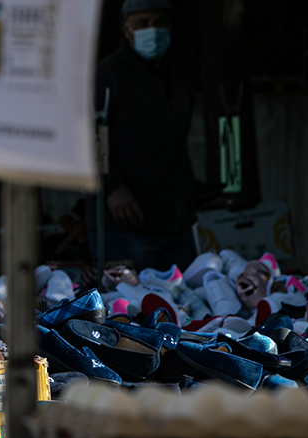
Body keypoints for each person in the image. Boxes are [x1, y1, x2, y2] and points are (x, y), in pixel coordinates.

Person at [88, 0, 197, 270]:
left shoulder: (179, 72)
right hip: (124, 227)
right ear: (126, 29)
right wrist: (111, 186)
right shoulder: (106, 75)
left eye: (160, 22)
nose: (153, 30)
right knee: (129, 309)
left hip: (177, 225)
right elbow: (86, 137)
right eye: (143, 23)